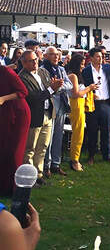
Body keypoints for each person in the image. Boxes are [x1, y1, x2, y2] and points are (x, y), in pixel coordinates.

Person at [19, 50, 63, 186]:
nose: (35, 63)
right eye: (31, 61)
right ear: (24, 63)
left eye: (36, 60)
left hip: (48, 113)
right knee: (30, 148)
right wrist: (51, 89)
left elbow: (49, 89)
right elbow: (33, 98)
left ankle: (38, 174)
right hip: (34, 115)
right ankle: (29, 177)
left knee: (43, 146)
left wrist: (56, 87)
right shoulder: (22, 77)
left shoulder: (43, 72)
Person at [0, 66, 31, 196]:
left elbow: (23, 91)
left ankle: (14, 189)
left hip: (18, 114)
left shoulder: (6, 72)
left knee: (14, 152)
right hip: (4, 113)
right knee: (3, 148)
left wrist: (3, 98)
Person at [42, 46, 73, 177]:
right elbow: (46, 86)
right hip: (49, 105)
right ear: (46, 56)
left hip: (61, 104)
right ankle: (46, 165)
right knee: (49, 135)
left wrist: (59, 87)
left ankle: (56, 163)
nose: (56, 57)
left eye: (57, 55)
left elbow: (69, 84)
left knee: (59, 135)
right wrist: (57, 87)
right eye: (53, 54)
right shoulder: (43, 70)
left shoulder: (61, 69)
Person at [67, 54, 99, 171]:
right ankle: (74, 160)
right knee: (78, 133)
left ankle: (76, 158)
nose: (83, 66)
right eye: (81, 64)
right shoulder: (73, 76)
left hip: (80, 105)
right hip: (76, 105)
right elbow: (76, 93)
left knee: (80, 133)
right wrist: (89, 88)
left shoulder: (76, 76)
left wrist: (90, 93)